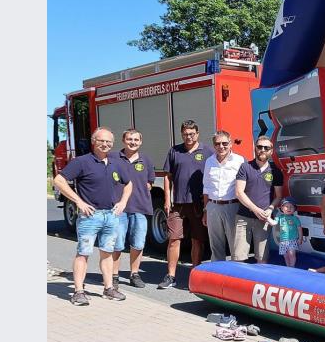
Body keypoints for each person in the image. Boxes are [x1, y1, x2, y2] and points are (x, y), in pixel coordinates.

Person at [53, 127, 132, 305]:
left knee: (107, 253)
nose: (105, 144)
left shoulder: (116, 163)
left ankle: (109, 288)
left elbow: (128, 184)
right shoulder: (81, 162)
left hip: (111, 215)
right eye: (101, 141)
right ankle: (78, 292)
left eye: (109, 142)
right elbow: (59, 180)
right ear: (93, 141)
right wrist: (78, 202)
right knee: (83, 253)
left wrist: (123, 202)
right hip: (90, 217)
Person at [159, 120, 215, 289]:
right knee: (174, 239)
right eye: (185, 134)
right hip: (178, 204)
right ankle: (171, 276)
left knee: (197, 240)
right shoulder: (174, 151)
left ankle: (195, 275)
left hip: (198, 204)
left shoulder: (207, 152)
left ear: (197, 134)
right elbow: (167, 176)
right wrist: (167, 199)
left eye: (192, 134)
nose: (188, 137)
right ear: (181, 134)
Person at [111, 129, 155, 288]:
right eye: (129, 139)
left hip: (140, 208)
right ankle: (114, 275)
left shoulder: (146, 160)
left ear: (141, 142)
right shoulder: (113, 158)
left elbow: (150, 182)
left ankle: (134, 274)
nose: (133, 142)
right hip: (118, 208)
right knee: (117, 244)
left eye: (136, 139)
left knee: (138, 244)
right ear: (123, 140)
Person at [233, 136, 284, 264]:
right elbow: (239, 192)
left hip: (264, 219)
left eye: (266, 148)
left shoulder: (275, 171)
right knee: (239, 257)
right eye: (259, 147)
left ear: (271, 151)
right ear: (255, 148)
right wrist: (256, 210)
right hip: (243, 217)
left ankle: (258, 284)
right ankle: (239, 284)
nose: (262, 150)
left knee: (262, 257)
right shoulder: (245, 167)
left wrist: (271, 208)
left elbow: (278, 196)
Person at [202, 130, 244, 262]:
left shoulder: (239, 160)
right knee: (215, 245)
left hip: (233, 206)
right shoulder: (209, 161)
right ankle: (218, 275)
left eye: (225, 143)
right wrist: (205, 210)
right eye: (217, 144)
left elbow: (245, 186)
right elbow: (206, 187)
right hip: (213, 207)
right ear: (213, 145)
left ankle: (236, 276)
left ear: (231, 144)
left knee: (235, 246)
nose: (221, 146)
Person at [276, 197, 304, 267]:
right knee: (285, 256)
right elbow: (273, 222)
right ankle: (288, 266)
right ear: (282, 208)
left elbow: (299, 229)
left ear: (294, 209)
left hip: (292, 240)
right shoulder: (280, 217)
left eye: (291, 207)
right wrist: (267, 218)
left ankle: (292, 266)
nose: (289, 208)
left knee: (291, 254)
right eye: (286, 206)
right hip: (283, 241)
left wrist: (300, 238)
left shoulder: (295, 218)